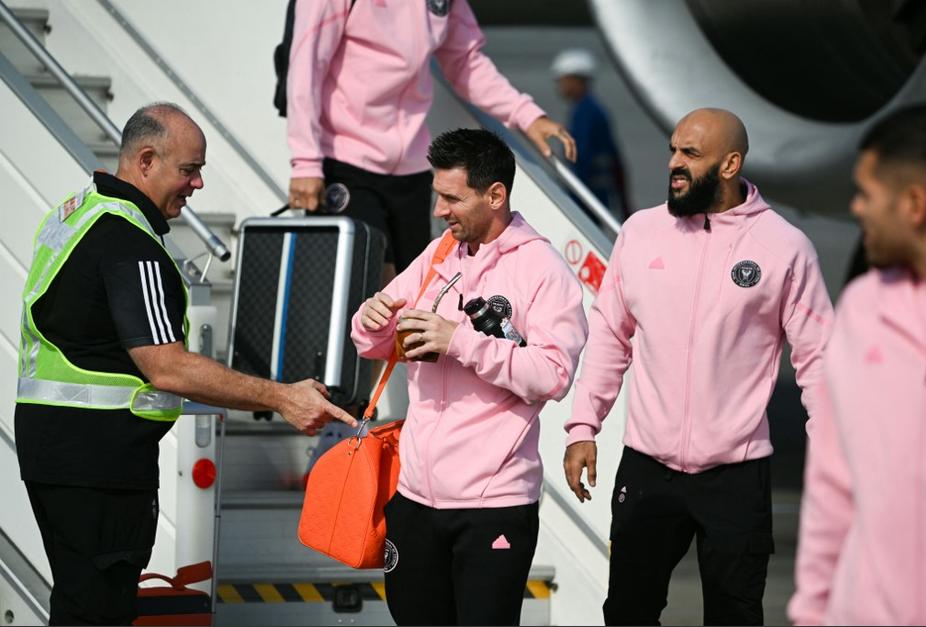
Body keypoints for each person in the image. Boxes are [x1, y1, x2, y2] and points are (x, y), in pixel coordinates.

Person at [14, 103, 356, 626]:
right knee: (97, 612)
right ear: (146, 160)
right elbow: (168, 368)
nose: (197, 185)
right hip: (99, 467)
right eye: (189, 170)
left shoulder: (80, 210)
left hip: (58, 453)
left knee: (79, 604)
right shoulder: (131, 242)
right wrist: (282, 396)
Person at [563, 108, 833, 626]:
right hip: (647, 468)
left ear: (730, 163)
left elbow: (819, 364)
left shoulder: (784, 248)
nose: (674, 164)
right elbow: (609, 338)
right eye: (673, 150)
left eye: (691, 154)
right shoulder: (641, 233)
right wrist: (582, 427)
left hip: (736, 472)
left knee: (735, 616)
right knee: (626, 612)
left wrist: (831, 464)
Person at [350, 128, 587, 625]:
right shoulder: (439, 255)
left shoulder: (544, 269)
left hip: (493, 503)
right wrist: (369, 319)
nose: (440, 209)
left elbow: (554, 374)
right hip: (415, 497)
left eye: (452, 197)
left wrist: (458, 341)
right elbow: (377, 340)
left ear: (495, 195)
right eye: (438, 195)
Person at [287, 0, 576, 283]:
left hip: (411, 170)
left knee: (416, 289)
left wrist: (527, 115)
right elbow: (306, 66)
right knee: (363, 284)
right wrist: (306, 164)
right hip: (344, 160)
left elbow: (465, 62)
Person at [788, 102, 926, 626]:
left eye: (868, 194)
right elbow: (833, 481)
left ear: (915, 205)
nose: (856, 209)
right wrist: (812, 611)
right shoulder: (862, 310)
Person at [552, 48, 630, 220]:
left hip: (587, 196)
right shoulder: (593, 110)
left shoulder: (585, 113)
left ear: (576, 80)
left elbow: (582, 157)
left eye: (563, 81)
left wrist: (571, 196)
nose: (560, 87)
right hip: (597, 194)